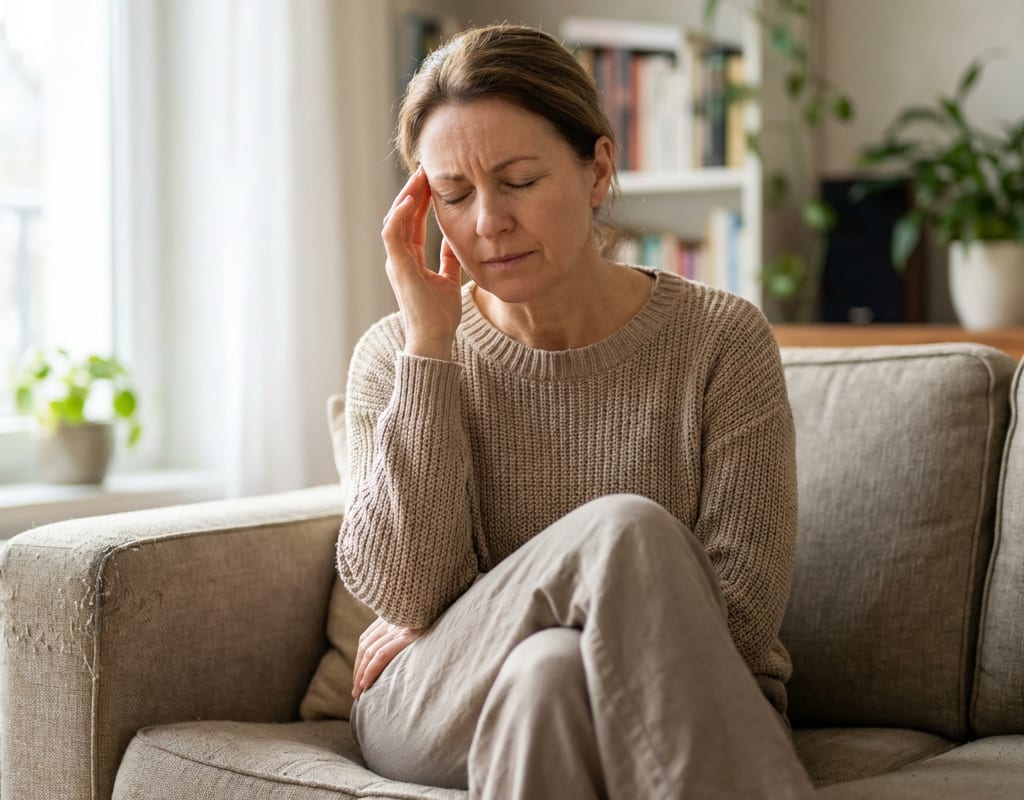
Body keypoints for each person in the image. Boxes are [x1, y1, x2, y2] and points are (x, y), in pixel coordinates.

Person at [336, 22, 815, 800]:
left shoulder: (721, 340)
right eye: (453, 194)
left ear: (597, 171)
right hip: (437, 699)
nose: (488, 221)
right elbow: (408, 594)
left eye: (519, 181)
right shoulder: (396, 355)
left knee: (550, 675)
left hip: (693, 688)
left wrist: (522, 616)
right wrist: (432, 344)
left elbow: (742, 620)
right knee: (625, 529)